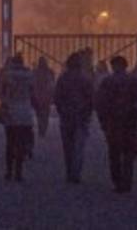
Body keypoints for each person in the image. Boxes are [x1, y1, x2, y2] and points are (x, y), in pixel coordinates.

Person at [95, 55, 137, 193]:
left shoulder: (108, 81)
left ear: (113, 66)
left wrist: (103, 121)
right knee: (128, 153)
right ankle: (127, 181)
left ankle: (117, 181)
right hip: (129, 121)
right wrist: (136, 118)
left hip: (113, 121)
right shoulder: (133, 81)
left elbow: (100, 103)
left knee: (114, 153)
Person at [53, 52, 95, 183]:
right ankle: (76, 173)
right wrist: (88, 113)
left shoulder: (63, 78)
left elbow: (57, 97)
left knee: (68, 146)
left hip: (66, 115)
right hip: (81, 115)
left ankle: (69, 171)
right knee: (79, 146)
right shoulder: (85, 79)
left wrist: (61, 110)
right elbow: (91, 98)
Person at [0, 54, 35, 182]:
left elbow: (1, 93)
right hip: (25, 112)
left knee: (10, 143)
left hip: (11, 111)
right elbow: (32, 92)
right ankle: (19, 172)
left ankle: (9, 171)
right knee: (21, 143)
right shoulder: (29, 75)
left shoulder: (7, 75)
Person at [32, 56, 56, 138]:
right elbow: (52, 84)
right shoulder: (49, 72)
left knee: (40, 114)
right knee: (45, 114)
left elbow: (33, 84)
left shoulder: (35, 72)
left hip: (39, 96)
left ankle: (41, 128)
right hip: (46, 96)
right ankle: (43, 129)